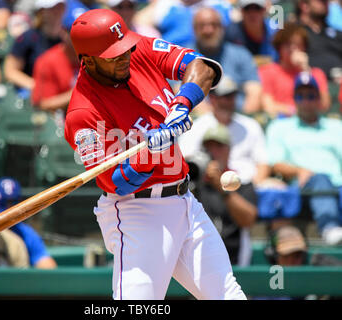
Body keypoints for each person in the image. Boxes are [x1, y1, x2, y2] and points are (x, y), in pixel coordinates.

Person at [64, 8, 246, 300]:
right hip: (137, 212)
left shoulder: (135, 48)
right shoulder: (83, 112)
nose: (124, 57)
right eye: (113, 55)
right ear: (87, 60)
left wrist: (182, 104)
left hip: (185, 200)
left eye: (124, 49)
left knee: (228, 295)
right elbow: (115, 183)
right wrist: (151, 153)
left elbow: (204, 68)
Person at [266, 72, 342, 246]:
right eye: (301, 96)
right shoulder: (280, 127)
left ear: (319, 99)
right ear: (294, 99)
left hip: (338, 186)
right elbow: (275, 163)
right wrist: (299, 171)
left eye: (311, 96)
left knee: (327, 181)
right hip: (302, 189)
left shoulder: (336, 127)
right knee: (320, 179)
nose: (306, 101)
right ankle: (329, 227)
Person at [179, 76, 270, 187]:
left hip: (246, 185)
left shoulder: (250, 125)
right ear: (213, 99)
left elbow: (263, 163)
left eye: (233, 95)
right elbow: (186, 159)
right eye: (226, 97)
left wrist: (254, 188)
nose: (231, 101)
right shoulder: (197, 126)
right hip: (209, 186)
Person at [193, 124, 258, 266]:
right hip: (199, 258)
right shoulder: (195, 182)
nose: (213, 152)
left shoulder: (242, 179)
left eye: (219, 147)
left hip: (233, 259)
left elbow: (248, 219)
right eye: (208, 147)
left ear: (228, 150)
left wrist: (221, 186)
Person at [191, 6, 262, 114]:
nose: (208, 30)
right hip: (200, 123)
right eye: (202, 26)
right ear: (194, 29)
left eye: (213, 25)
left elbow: (254, 91)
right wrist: (214, 122)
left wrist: (243, 119)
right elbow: (179, 91)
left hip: (238, 117)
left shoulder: (240, 54)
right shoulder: (184, 56)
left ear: (222, 28)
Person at [258, 22, 330, 117]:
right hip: (282, 123)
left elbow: (324, 106)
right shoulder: (267, 72)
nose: (293, 48)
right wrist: (295, 111)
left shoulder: (316, 74)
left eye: (298, 44)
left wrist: (305, 70)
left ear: (304, 47)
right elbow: (268, 106)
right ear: (279, 47)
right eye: (288, 44)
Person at [3, 0, 66, 95]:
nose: (56, 11)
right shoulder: (27, 37)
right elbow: (10, 71)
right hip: (29, 94)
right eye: (52, 8)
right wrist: (36, 86)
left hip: (59, 93)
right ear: (41, 12)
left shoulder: (66, 39)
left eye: (60, 7)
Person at [296, 0, 342, 81]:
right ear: (304, 5)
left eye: (326, 1)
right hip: (310, 85)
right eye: (321, 1)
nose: (325, 3)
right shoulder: (295, 33)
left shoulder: (336, 34)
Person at [31, 37, 79, 113]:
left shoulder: (97, 58)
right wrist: (78, 93)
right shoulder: (48, 61)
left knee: (100, 123)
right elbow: (41, 105)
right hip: (60, 120)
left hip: (94, 119)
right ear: (63, 33)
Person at [225, 0, 278, 66]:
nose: (252, 13)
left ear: (264, 10)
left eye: (257, 8)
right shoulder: (231, 33)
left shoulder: (276, 32)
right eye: (247, 8)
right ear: (241, 11)